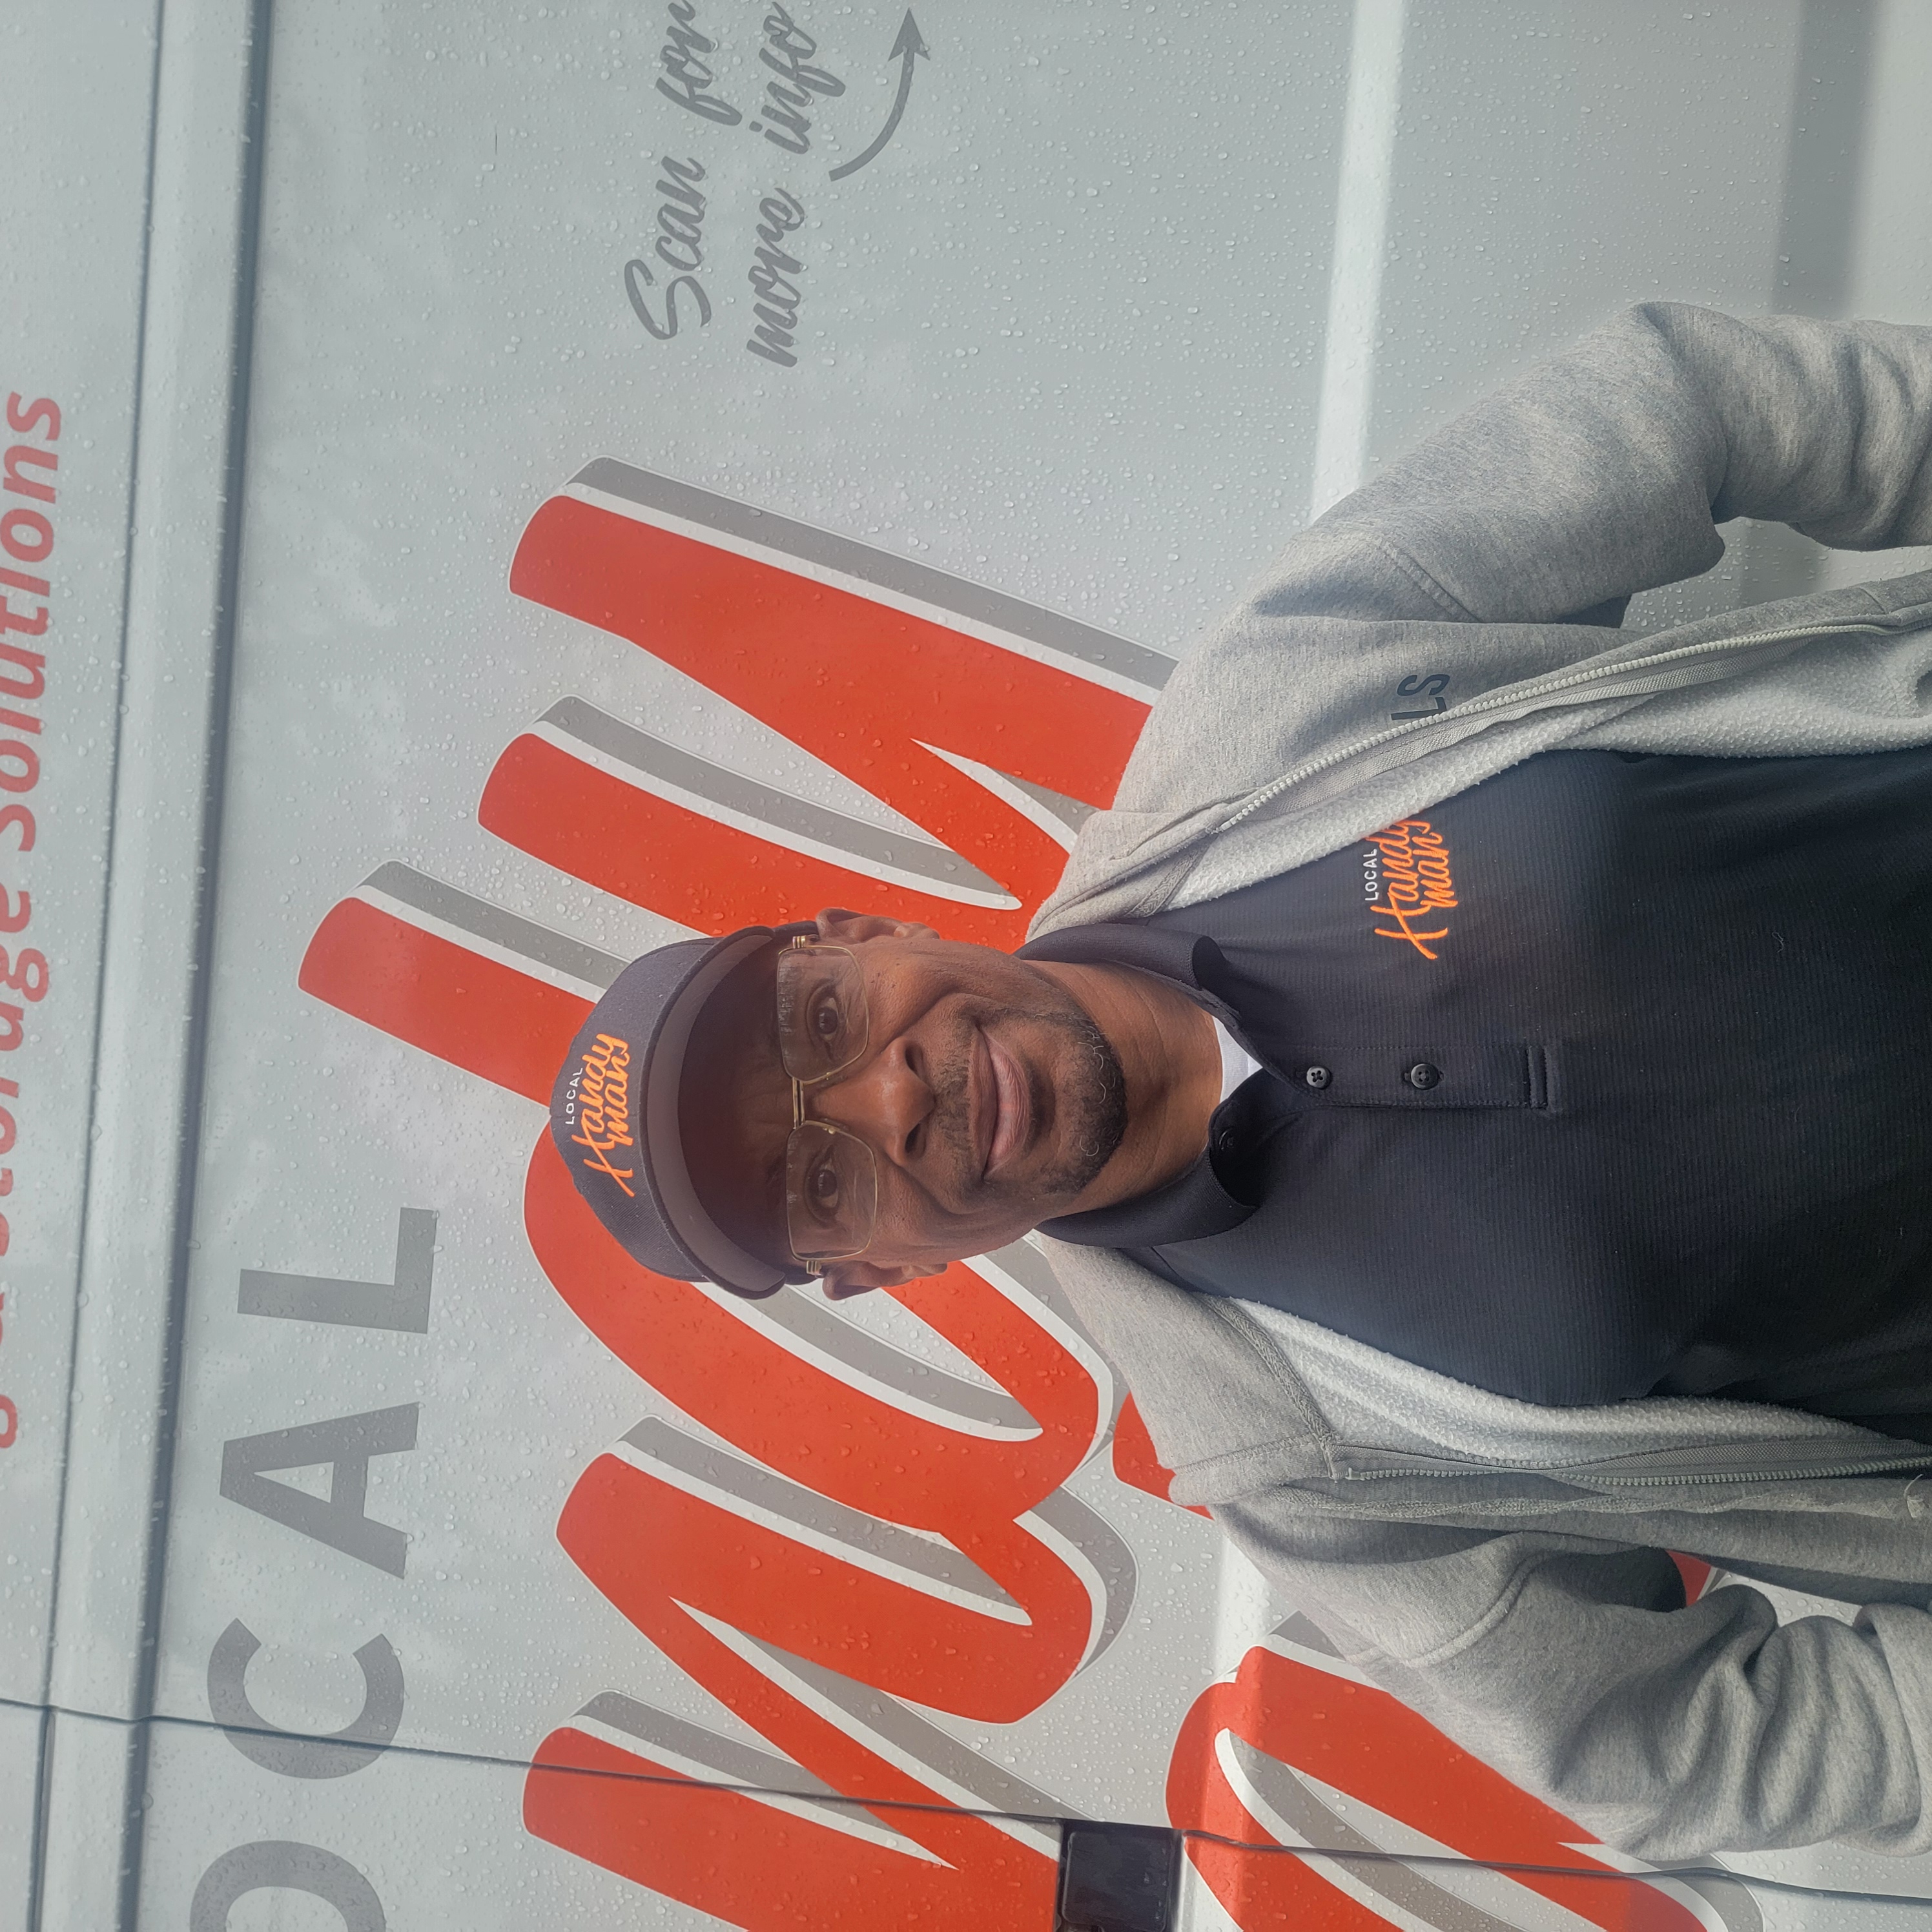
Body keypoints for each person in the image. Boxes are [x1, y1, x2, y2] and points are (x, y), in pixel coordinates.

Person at [550, 303, 1932, 1862]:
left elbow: (1670, 402)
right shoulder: (1292, 1460)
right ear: (876, 1262)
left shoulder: (1278, 704)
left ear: (858, 931)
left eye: (817, 1025)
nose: (890, 1095)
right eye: (818, 1174)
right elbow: (1673, 1756)